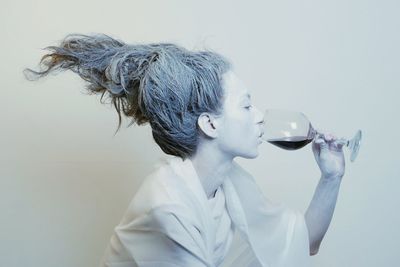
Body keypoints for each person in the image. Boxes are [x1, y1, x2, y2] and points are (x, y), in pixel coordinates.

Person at [24, 33, 347, 267]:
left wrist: (331, 177)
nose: (260, 115)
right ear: (210, 124)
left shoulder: (227, 183)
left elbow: (304, 243)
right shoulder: (168, 210)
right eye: (246, 105)